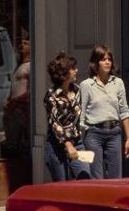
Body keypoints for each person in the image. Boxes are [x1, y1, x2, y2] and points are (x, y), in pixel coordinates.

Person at [79, 44, 129, 179]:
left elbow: (124, 111)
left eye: (109, 59)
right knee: (96, 177)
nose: (107, 62)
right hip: (94, 134)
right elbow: (82, 114)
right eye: (103, 59)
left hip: (114, 133)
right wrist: (81, 140)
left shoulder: (118, 83)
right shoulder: (86, 85)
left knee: (116, 177)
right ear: (96, 62)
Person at [43, 51, 89, 181]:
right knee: (61, 187)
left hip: (77, 143)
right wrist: (68, 145)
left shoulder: (78, 90)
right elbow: (55, 123)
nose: (76, 71)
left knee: (85, 179)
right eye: (73, 68)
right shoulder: (52, 96)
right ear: (64, 72)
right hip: (57, 147)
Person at [3, 34, 32, 155]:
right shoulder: (19, 65)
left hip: (21, 110)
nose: (22, 45)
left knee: (20, 143)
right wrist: (8, 100)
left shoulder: (31, 66)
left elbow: (31, 91)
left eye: (26, 43)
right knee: (11, 142)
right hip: (13, 111)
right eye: (22, 42)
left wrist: (15, 101)